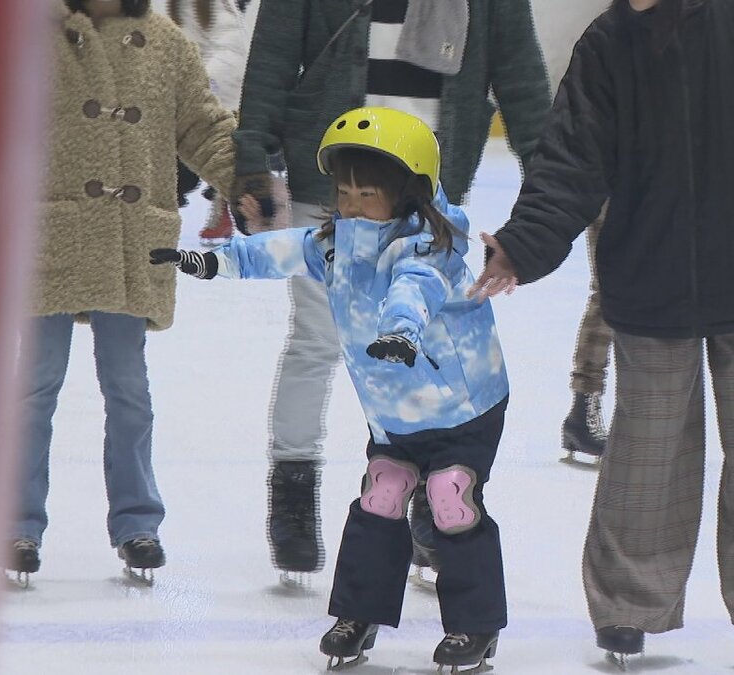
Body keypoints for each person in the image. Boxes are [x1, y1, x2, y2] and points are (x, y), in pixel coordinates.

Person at [469, 0, 734, 666]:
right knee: (647, 452)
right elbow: (569, 161)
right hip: (651, 279)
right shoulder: (608, 44)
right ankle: (627, 604)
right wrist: (523, 244)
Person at [153, 107, 510, 673]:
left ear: (409, 193)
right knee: (383, 494)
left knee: (450, 498)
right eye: (343, 191)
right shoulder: (336, 243)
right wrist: (209, 262)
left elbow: (411, 293)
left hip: (463, 406)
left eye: (366, 194)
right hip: (393, 413)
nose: (349, 205)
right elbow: (274, 251)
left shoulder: (427, 249)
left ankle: (475, 624)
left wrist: (400, 333)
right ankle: (359, 614)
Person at [230, 0, 550, 581]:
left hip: (423, 194)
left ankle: (431, 498)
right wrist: (253, 160)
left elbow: (523, 83)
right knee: (318, 341)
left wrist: (547, 201)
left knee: (424, 356)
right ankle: (295, 494)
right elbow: (274, 55)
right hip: (335, 185)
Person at [6, 0, 238, 584]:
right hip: (53, 233)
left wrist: (248, 179)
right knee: (35, 388)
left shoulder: (164, 43)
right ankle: (17, 524)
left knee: (129, 389)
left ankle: (138, 524)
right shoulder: (32, 36)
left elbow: (203, 125)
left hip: (129, 239)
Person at [166, 0, 252, 245]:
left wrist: (199, 87)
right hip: (193, 96)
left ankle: (224, 204)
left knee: (193, 162)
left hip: (210, 99)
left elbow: (231, 49)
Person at [560, 205, 613, 466]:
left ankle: (583, 411)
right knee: (612, 292)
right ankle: (583, 411)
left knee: (611, 293)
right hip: (623, 181)